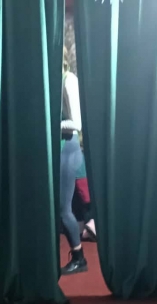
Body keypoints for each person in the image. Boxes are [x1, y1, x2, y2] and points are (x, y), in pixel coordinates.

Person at [60, 49, 88, 276]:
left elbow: (76, 124)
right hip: (57, 149)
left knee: (63, 209)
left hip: (67, 149)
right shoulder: (52, 81)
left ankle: (79, 258)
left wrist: (49, 122)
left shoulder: (69, 80)